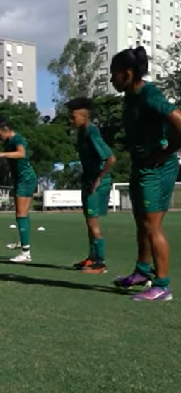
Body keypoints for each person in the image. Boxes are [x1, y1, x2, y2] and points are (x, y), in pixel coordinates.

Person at [109, 47, 181, 301]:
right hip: (142, 166)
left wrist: (166, 152)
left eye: (113, 74)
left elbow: (179, 120)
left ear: (127, 73)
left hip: (156, 168)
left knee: (152, 226)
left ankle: (162, 286)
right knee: (141, 222)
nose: (111, 80)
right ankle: (142, 272)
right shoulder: (131, 94)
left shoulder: (150, 95)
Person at [65, 97, 116, 274]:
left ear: (84, 117)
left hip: (96, 183)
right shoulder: (82, 132)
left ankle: (101, 264)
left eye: (73, 117)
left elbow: (110, 158)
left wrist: (98, 179)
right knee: (89, 222)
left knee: (94, 224)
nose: (70, 120)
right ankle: (92, 257)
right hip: (88, 180)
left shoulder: (92, 132)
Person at [0, 115, 37, 262]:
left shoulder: (17, 139)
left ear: (6, 129)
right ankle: (23, 241)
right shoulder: (8, 141)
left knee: (20, 214)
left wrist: (1, 154)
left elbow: (22, 154)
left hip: (25, 178)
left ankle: (26, 253)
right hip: (22, 178)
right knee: (23, 213)